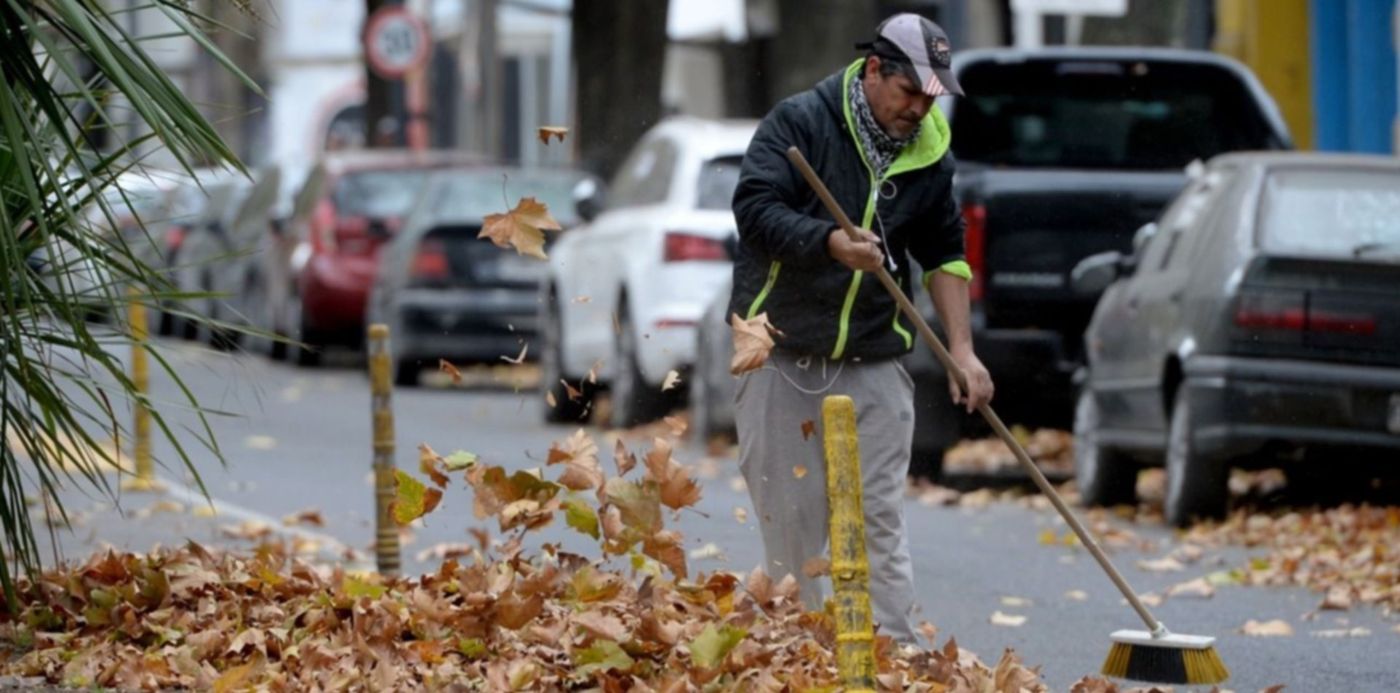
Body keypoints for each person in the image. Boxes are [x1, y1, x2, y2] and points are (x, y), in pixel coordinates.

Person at [729, 13, 994, 647]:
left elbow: (946, 251)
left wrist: (962, 349)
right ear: (875, 70)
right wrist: (828, 243)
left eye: (933, 97)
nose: (921, 109)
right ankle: (800, 652)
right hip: (782, 350)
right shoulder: (801, 123)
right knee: (793, 524)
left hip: (875, 355)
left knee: (878, 517)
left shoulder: (929, 149)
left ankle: (895, 654)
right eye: (910, 92)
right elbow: (754, 209)